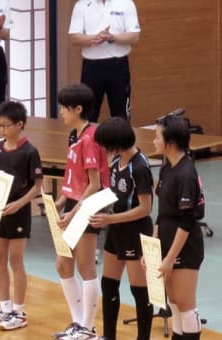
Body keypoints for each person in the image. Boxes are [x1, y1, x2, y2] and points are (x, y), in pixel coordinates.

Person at [0, 101, 43, 330]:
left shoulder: (30, 151)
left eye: (6, 126)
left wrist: (19, 204)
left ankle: (19, 312)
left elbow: (37, 187)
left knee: (16, 260)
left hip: (18, 212)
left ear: (19, 124)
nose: (2, 130)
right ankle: (4, 308)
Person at [52, 83, 109, 340]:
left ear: (78, 109)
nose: (61, 112)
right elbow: (74, 178)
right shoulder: (74, 136)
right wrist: (60, 201)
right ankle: (78, 323)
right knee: (63, 265)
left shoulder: (90, 138)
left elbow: (95, 184)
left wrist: (73, 212)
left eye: (65, 108)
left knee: (86, 268)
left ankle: (88, 328)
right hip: (75, 206)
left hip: (89, 208)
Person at [89, 117, 154, 340]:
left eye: (105, 143)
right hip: (116, 229)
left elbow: (146, 208)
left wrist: (110, 220)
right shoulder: (117, 161)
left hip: (135, 232)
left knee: (140, 291)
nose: (103, 148)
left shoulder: (140, 167)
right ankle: (109, 336)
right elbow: (116, 196)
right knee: (108, 285)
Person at [153, 115, 204, 340]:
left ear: (170, 141)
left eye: (157, 136)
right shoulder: (167, 169)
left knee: (185, 304)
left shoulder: (186, 174)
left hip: (184, 248)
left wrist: (170, 258)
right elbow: (162, 213)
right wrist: (154, 250)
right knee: (173, 301)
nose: (154, 141)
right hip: (166, 244)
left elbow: (186, 221)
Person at [68, 0, 141, 122]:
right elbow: (74, 38)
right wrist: (96, 37)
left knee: (121, 113)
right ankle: (87, 141)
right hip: (92, 68)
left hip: (118, 66)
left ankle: (121, 140)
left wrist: (111, 37)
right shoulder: (81, 5)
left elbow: (134, 36)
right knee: (88, 114)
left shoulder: (126, 3)